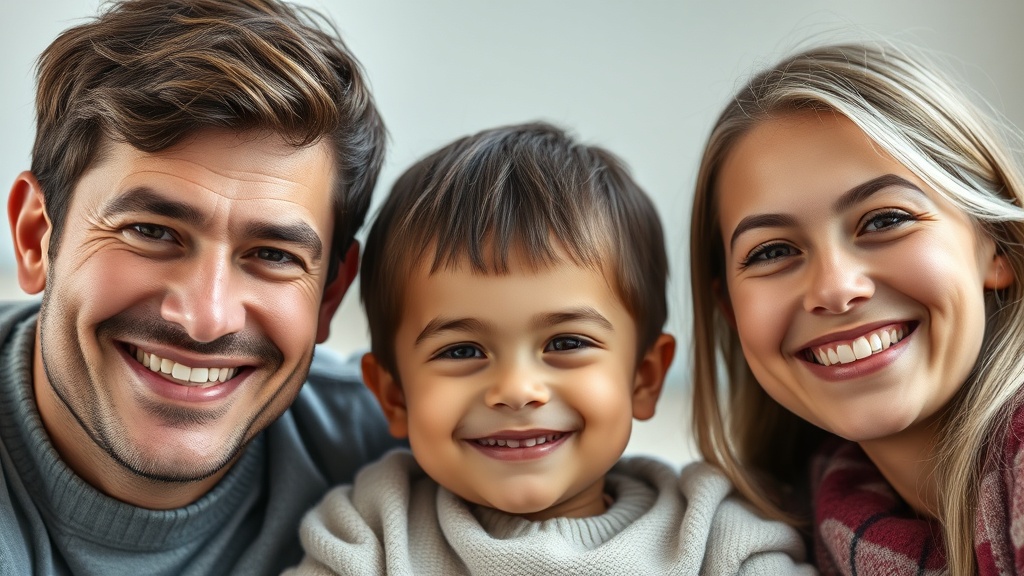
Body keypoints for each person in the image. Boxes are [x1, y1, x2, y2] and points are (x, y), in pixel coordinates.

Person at [287, 122, 815, 575]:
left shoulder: (718, 541)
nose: (516, 390)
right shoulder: (368, 536)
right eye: (462, 351)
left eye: (565, 343)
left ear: (644, 378)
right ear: (394, 395)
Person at [1, 0, 403, 573]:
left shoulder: (409, 448)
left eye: (271, 255)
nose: (206, 317)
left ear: (331, 293)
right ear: (36, 236)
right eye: (151, 231)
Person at [689, 41, 1024, 575]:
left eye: (885, 220)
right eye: (773, 252)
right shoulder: (772, 535)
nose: (836, 289)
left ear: (998, 244)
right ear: (730, 311)